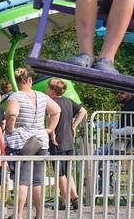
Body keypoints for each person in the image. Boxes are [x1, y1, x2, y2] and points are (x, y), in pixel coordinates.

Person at [4, 67, 60, 219]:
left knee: (22, 181)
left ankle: (18, 214)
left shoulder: (16, 96)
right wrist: (49, 129)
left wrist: (11, 128)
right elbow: (56, 110)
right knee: (37, 181)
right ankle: (39, 215)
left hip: (22, 141)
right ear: (30, 80)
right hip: (41, 141)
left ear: (17, 81)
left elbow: (12, 113)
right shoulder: (42, 96)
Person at [46, 79, 86, 210]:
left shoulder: (51, 103)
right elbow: (83, 111)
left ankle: (66, 201)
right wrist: (74, 125)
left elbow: (50, 120)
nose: (46, 90)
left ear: (52, 91)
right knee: (68, 172)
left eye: (47, 88)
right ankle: (75, 198)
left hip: (57, 141)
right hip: (68, 141)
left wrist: (51, 131)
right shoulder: (68, 101)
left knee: (60, 173)